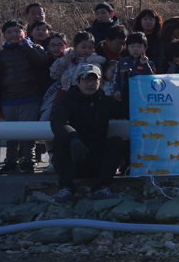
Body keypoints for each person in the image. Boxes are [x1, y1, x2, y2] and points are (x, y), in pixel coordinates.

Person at [50, 62, 128, 204]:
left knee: (116, 141)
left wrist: (127, 81)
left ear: (100, 82)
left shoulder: (105, 101)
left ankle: (101, 188)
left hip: (95, 159)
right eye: (86, 79)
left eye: (94, 80)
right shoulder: (66, 101)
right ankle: (66, 188)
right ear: (78, 81)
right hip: (72, 158)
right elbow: (58, 122)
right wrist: (73, 139)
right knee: (62, 141)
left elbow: (127, 110)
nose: (90, 83)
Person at [0, 21, 48, 173]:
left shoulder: (35, 48)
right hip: (9, 98)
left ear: (25, 33)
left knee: (28, 131)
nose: (14, 35)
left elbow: (41, 63)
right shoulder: (2, 54)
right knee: (11, 133)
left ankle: (29, 160)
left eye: (17, 31)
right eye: (10, 32)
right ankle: (11, 160)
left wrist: (26, 47)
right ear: (4, 36)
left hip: (31, 96)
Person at [114, 32, 156, 109]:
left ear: (145, 48)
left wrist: (145, 64)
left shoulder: (149, 63)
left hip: (143, 97)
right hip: (125, 96)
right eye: (132, 46)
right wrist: (117, 90)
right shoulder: (122, 62)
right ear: (128, 48)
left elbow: (152, 80)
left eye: (139, 46)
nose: (136, 49)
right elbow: (117, 80)